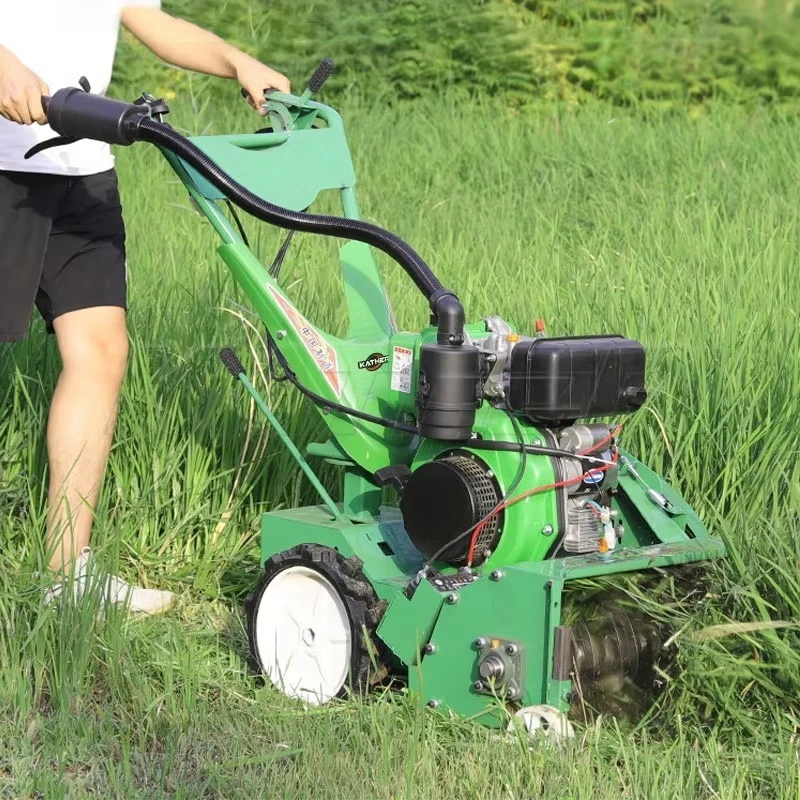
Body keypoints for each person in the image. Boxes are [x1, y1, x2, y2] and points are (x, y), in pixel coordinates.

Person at [0, 2, 291, 614]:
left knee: (102, 349)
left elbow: (150, 20)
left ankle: (64, 576)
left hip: (80, 167)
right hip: (2, 169)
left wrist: (235, 60)